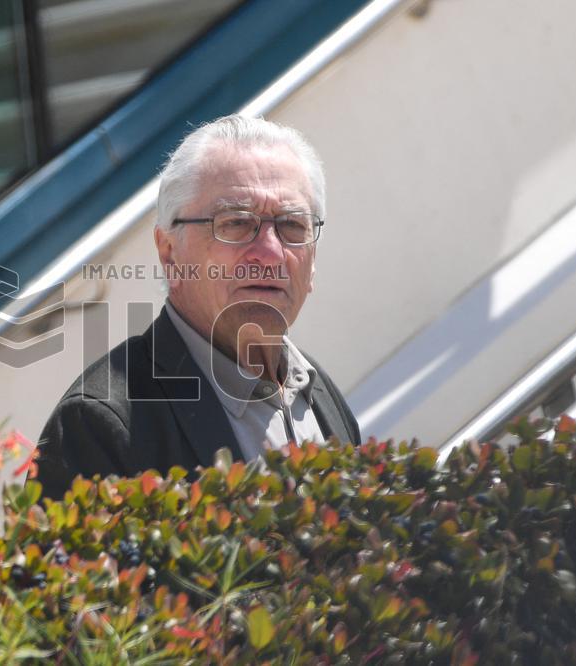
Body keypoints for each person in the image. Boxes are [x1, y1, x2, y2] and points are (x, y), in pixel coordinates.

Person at [37, 115, 361, 500]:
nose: (271, 252)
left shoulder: (317, 392)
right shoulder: (100, 424)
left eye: (292, 225)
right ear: (169, 252)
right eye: (237, 223)